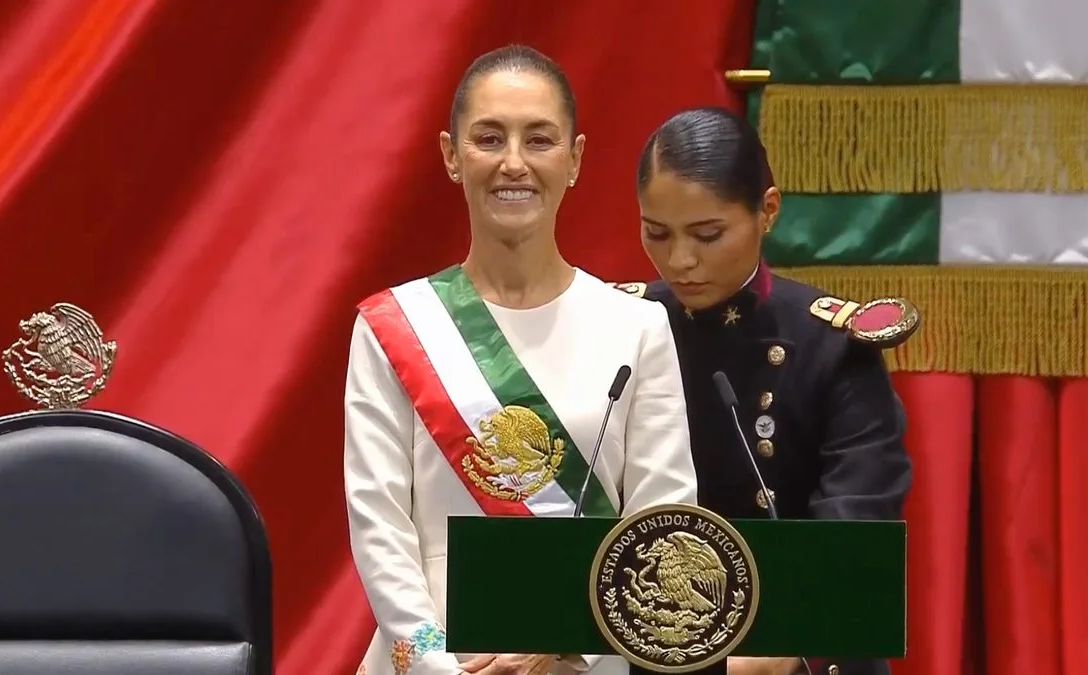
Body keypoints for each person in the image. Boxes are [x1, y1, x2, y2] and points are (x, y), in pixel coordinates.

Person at [343, 46, 699, 675]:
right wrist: (439, 666)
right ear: (453, 156)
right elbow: (379, 528)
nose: (514, 162)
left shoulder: (638, 327)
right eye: (488, 137)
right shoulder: (392, 326)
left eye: (539, 139)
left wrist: (564, 642)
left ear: (575, 159)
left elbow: (659, 528)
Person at [612, 107, 917, 675]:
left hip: (792, 649)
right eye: (657, 233)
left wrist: (779, 650)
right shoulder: (618, 327)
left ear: (767, 211)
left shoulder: (830, 345)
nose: (680, 260)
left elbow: (855, 527)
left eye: (708, 235)